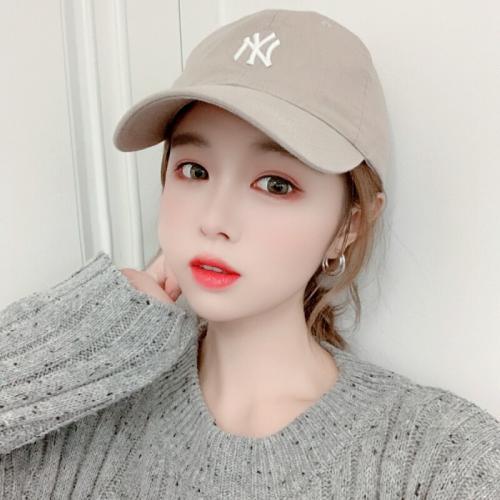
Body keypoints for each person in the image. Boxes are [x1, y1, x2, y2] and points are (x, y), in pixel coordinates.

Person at [1, 8, 499, 499]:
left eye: (275, 184)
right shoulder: (81, 419)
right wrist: (103, 326)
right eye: (194, 170)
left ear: (349, 225)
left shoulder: (443, 460)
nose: (214, 219)